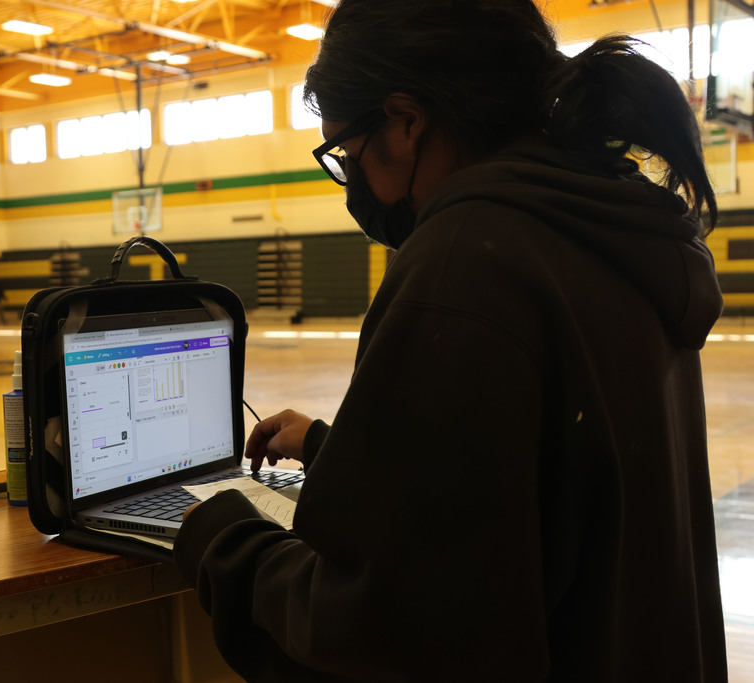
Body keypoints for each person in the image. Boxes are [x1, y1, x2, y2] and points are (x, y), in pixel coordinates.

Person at [172, 1, 727, 680]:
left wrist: (221, 536)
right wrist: (333, 449)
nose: (357, 183)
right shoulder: (612, 222)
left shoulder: (467, 259)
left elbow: (385, 628)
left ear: (405, 122)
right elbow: (539, 485)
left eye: (348, 151)